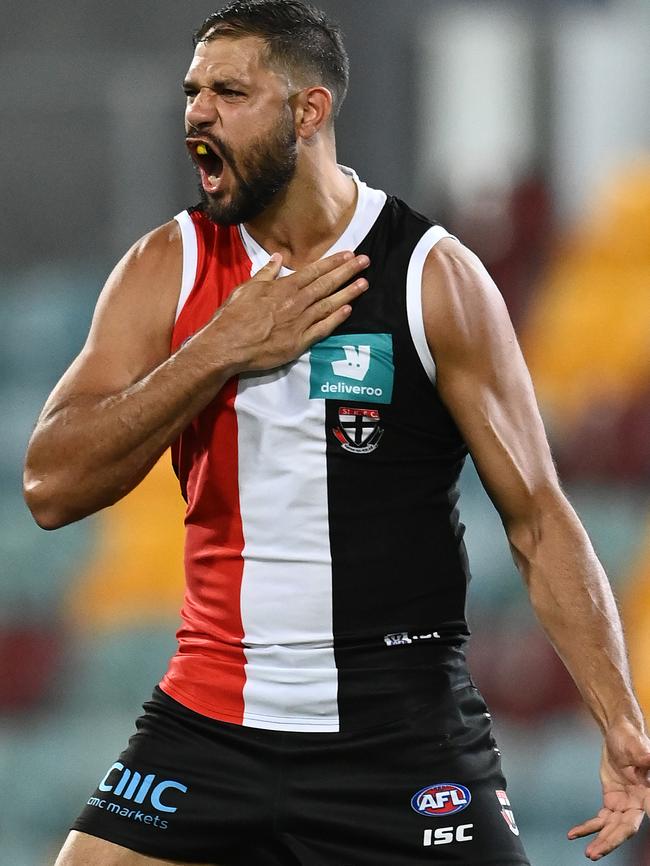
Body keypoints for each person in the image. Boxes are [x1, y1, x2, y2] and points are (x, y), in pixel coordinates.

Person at [23, 2, 650, 864]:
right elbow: (49, 488)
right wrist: (217, 351)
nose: (196, 113)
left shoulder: (433, 278)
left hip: (400, 734)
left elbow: (538, 518)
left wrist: (619, 720)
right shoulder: (165, 269)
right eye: (192, 92)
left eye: (229, 92)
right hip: (210, 723)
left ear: (308, 111)